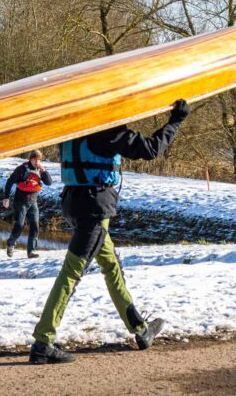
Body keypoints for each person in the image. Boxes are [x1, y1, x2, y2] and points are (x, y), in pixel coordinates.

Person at [29, 99, 191, 365]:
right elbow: (151, 149)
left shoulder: (71, 125)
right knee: (71, 273)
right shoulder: (106, 129)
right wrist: (175, 120)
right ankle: (43, 342)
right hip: (94, 209)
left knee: (111, 264)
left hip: (74, 203)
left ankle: (140, 330)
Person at [3, 150, 52, 258]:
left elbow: (49, 182)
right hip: (20, 201)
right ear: (31, 159)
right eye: (35, 159)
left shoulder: (40, 170)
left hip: (33, 202)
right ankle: (11, 243)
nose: (37, 161)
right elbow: (10, 181)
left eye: (39, 159)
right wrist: (6, 197)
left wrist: (43, 170)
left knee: (35, 226)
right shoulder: (22, 168)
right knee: (19, 225)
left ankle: (31, 251)